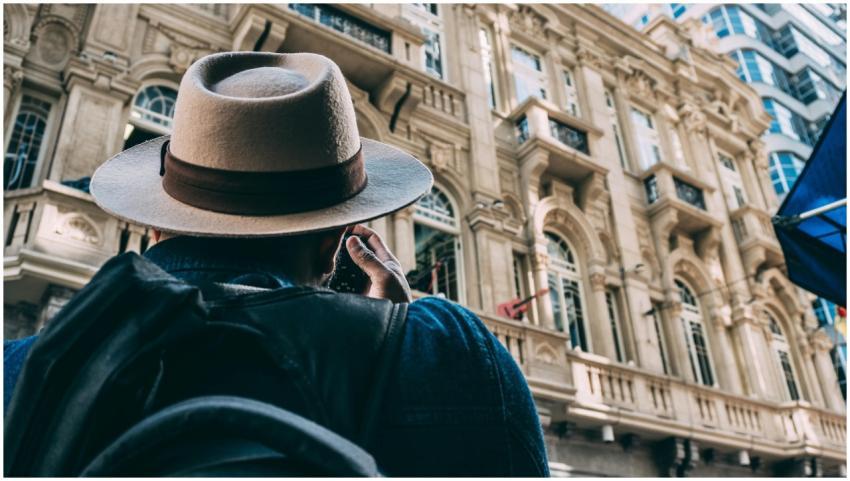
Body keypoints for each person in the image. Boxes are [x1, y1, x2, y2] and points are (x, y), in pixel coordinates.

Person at [3, 51, 548, 476]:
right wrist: (402, 346)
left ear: (154, 224)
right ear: (336, 245)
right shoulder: (456, 354)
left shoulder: (17, 373)